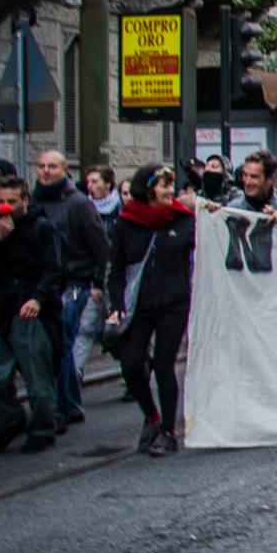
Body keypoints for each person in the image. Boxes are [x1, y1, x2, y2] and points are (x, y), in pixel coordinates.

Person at [105, 165, 196, 457]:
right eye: (163, 186)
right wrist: (117, 304)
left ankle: (169, 431)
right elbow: (116, 269)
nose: (170, 191)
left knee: (163, 365)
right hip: (141, 305)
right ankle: (151, 415)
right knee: (131, 363)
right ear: (148, 189)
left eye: (171, 186)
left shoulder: (184, 221)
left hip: (174, 303)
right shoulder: (127, 223)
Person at [0, 176, 62, 455]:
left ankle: (43, 428)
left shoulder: (42, 228)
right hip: (4, 308)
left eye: (12, 201)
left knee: (36, 374)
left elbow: (54, 268)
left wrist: (38, 298)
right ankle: (9, 417)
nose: (6, 207)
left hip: (33, 309)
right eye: (1, 201)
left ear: (25, 200)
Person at [31, 149, 109, 429]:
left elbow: (101, 245)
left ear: (65, 170)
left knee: (60, 342)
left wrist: (99, 283)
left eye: (52, 166)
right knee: (53, 346)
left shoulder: (78, 203)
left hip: (74, 282)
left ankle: (60, 407)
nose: (46, 171)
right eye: (41, 166)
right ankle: (70, 403)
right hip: (44, 284)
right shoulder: (32, 201)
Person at [208, 149, 277, 222]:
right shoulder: (233, 210)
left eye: (254, 177)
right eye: (245, 175)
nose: (247, 182)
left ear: (270, 179)